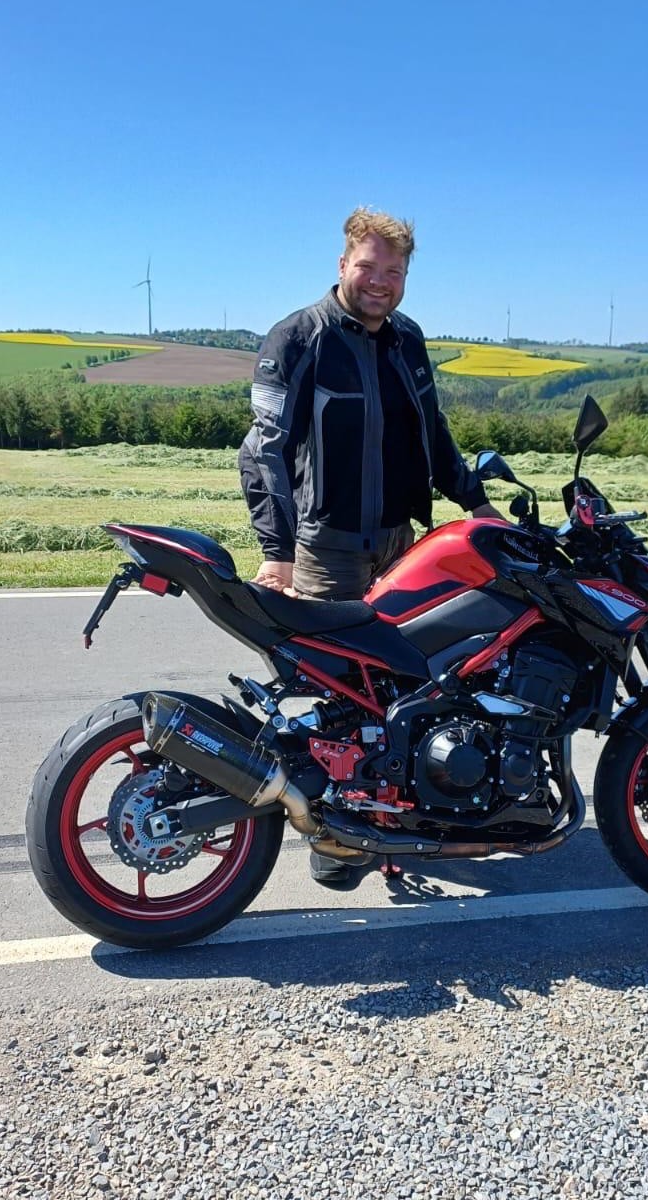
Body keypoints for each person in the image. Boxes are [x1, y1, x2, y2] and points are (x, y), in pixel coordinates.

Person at [238, 206, 503, 884]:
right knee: (343, 700)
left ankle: (398, 828)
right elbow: (263, 451)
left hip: (402, 545)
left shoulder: (407, 340)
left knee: (409, 691)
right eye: (368, 267)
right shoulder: (298, 338)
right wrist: (277, 552)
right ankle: (337, 846)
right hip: (327, 548)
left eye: (394, 271)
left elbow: (432, 432)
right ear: (342, 265)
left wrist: (477, 505)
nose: (380, 281)